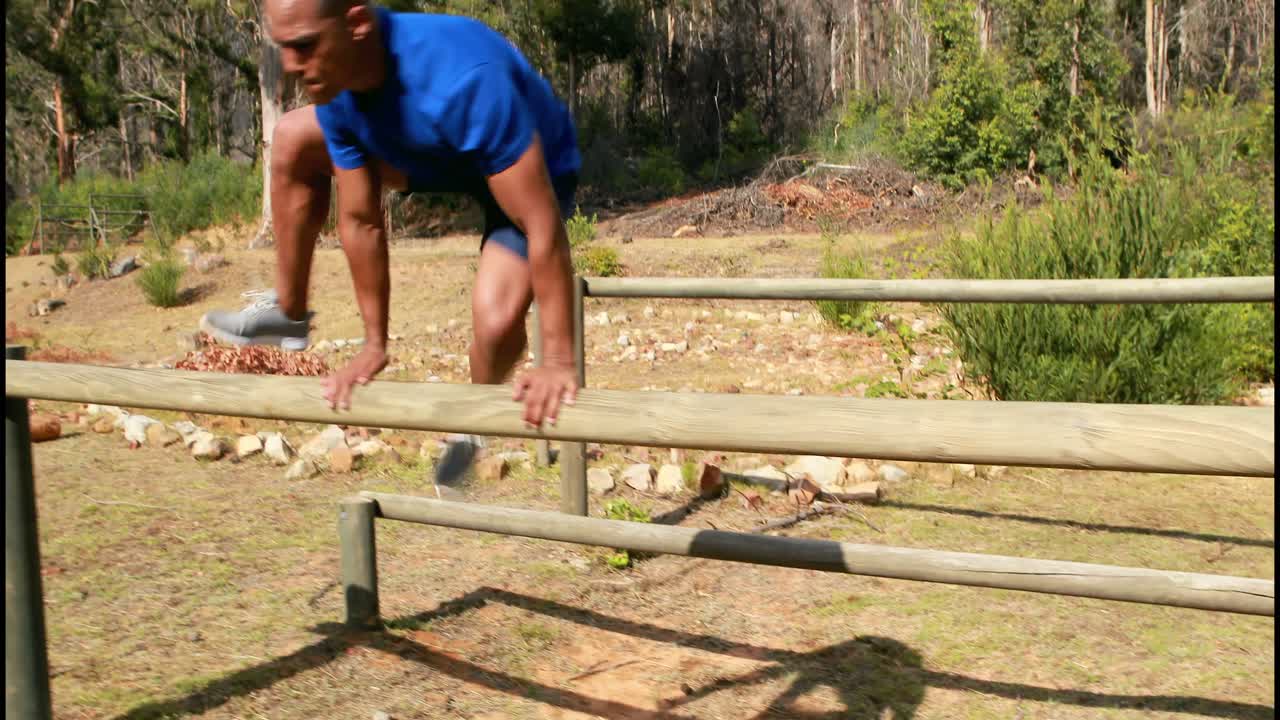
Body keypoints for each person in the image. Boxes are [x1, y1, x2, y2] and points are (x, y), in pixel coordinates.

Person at [199, 0, 581, 475]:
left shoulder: (467, 78)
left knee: (496, 322)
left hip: (527, 161)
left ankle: (471, 427)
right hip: (423, 144)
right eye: (284, 49)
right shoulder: (334, 82)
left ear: (356, 23)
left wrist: (559, 359)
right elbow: (360, 219)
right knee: (294, 137)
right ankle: (290, 314)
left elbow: (541, 225)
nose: (292, 67)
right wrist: (373, 344)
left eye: (304, 47)